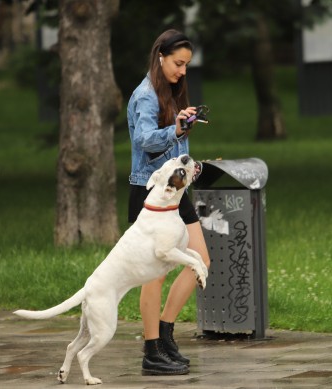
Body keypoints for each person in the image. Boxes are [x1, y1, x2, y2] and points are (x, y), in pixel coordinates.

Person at [126, 29, 211, 376]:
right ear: (160, 56)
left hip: (177, 192)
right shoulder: (145, 96)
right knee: (153, 274)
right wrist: (175, 131)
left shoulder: (171, 92)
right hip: (149, 193)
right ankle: (151, 351)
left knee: (200, 261)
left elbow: (174, 145)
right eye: (178, 63)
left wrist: (186, 152)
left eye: (187, 65)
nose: (183, 71)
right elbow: (145, 140)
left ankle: (165, 333)